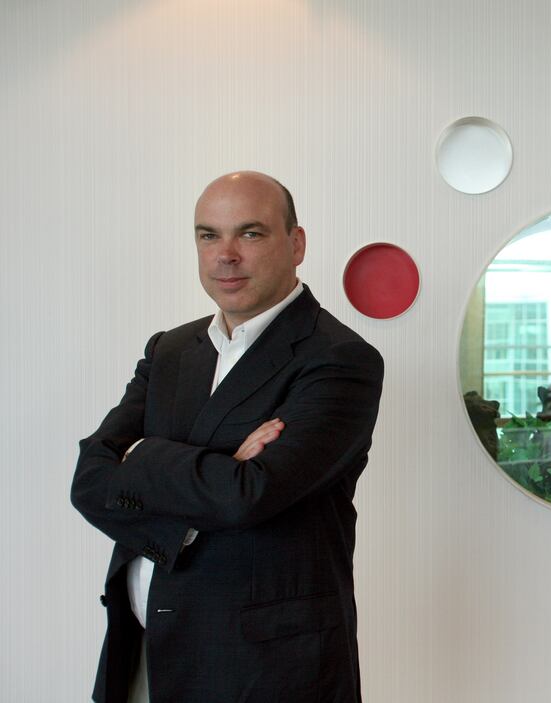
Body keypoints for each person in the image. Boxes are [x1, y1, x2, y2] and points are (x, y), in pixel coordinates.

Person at [71, 171, 385, 703]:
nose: (226, 255)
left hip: (263, 672)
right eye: (208, 235)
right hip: (143, 656)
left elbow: (248, 495)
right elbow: (90, 480)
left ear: (297, 244)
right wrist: (220, 466)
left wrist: (140, 457)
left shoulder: (339, 359)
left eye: (251, 233)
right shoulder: (169, 350)